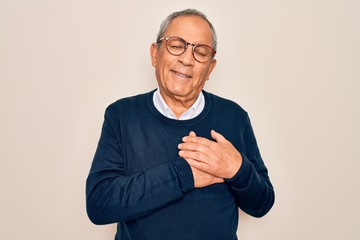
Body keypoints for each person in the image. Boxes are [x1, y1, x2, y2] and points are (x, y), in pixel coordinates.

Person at [86, 8, 275, 240]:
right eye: (176, 45)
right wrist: (183, 174)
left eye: (201, 52)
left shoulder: (234, 117)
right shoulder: (122, 116)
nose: (186, 59)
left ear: (210, 69)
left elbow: (262, 204)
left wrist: (238, 169)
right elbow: (99, 204)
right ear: (155, 54)